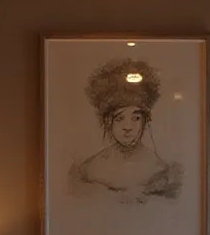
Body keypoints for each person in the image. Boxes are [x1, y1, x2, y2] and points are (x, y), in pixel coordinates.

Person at [70, 58, 183, 204]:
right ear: (107, 122)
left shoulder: (159, 170)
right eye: (119, 119)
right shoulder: (91, 169)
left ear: (145, 121)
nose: (128, 127)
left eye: (135, 118)